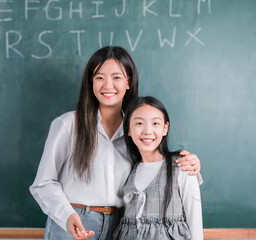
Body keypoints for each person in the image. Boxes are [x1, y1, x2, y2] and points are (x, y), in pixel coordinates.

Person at [29, 46, 202, 240]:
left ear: (128, 82)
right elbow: (43, 183)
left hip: (120, 227)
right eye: (99, 77)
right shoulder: (69, 125)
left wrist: (190, 163)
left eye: (117, 77)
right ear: (91, 82)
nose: (107, 85)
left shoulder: (137, 131)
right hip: (73, 223)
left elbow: (153, 167)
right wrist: (68, 215)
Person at [113, 96, 203, 240]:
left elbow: (195, 223)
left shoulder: (182, 166)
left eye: (155, 123)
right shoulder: (127, 169)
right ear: (128, 129)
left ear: (165, 128)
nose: (147, 131)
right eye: (139, 123)